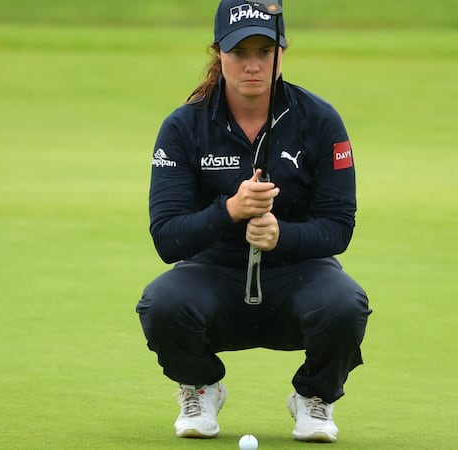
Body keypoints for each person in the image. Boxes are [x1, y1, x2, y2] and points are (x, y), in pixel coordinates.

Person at [136, 0, 371, 443]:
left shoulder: (320, 121)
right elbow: (167, 238)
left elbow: (339, 227)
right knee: (162, 302)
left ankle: (315, 397)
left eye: (265, 51)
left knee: (346, 302)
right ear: (218, 53)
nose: (252, 65)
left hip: (299, 278)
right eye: (239, 52)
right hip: (212, 276)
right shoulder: (184, 127)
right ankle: (200, 386)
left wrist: (282, 235)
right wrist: (231, 211)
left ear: (282, 52)